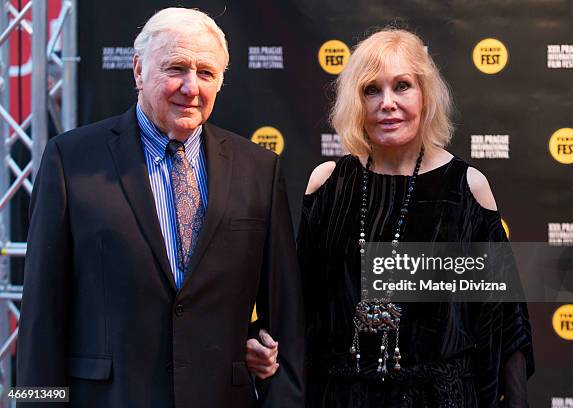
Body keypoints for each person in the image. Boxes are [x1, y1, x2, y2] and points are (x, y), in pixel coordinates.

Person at [17, 7, 304, 408]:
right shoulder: (70, 160)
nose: (191, 87)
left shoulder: (259, 169)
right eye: (176, 68)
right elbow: (39, 320)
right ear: (137, 70)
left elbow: (284, 320)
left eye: (206, 73)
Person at [247, 29, 533, 407]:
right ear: (355, 101)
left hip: (439, 398)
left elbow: (504, 321)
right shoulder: (327, 184)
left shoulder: (467, 188)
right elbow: (298, 303)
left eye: (402, 86)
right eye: (371, 90)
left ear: (426, 95)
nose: (387, 103)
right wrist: (259, 341)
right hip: (338, 396)